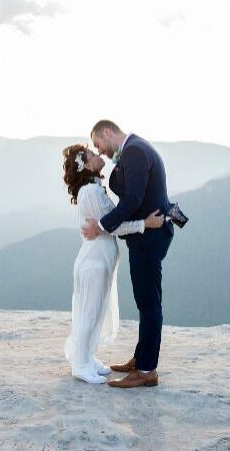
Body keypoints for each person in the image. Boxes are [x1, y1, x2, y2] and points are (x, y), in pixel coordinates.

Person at [82, 120, 174, 388]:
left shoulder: (134, 150)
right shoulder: (134, 149)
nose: (100, 152)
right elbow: (132, 193)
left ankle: (146, 371)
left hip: (149, 238)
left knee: (149, 304)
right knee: (146, 301)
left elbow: (132, 199)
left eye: (99, 145)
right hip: (146, 236)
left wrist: (101, 226)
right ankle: (141, 358)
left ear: (107, 133)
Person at [62, 144, 164, 384]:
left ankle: (87, 356)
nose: (98, 156)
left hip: (102, 259)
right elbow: (113, 225)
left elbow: (107, 223)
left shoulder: (95, 188)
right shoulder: (90, 191)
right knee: (89, 312)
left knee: (97, 310)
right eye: (92, 155)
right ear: (86, 165)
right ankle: (80, 364)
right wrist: (144, 224)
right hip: (94, 261)